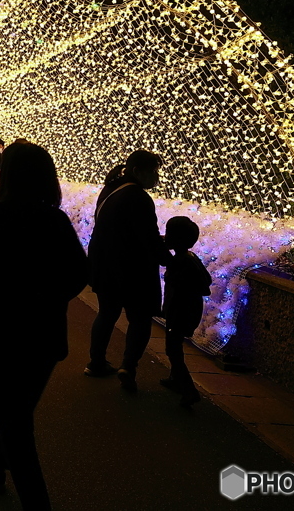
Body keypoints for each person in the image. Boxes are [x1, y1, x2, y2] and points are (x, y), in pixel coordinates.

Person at [0, 143, 87, 511]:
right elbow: (79, 273)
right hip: (45, 334)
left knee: (17, 423)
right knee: (19, 410)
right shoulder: (55, 220)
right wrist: (48, 297)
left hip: (1, 331)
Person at [85, 149, 171, 391]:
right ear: (137, 171)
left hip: (105, 265)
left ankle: (96, 362)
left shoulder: (110, 190)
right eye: (153, 171)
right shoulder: (139, 198)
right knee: (140, 319)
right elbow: (148, 238)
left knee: (107, 314)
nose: (156, 177)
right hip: (134, 271)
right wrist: (170, 260)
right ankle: (128, 366)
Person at [160, 216, 212, 407]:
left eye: (169, 233)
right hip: (187, 310)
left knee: (172, 349)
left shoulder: (181, 262)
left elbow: (182, 288)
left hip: (180, 312)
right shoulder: (189, 258)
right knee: (175, 346)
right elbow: (206, 282)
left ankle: (189, 390)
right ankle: (175, 379)